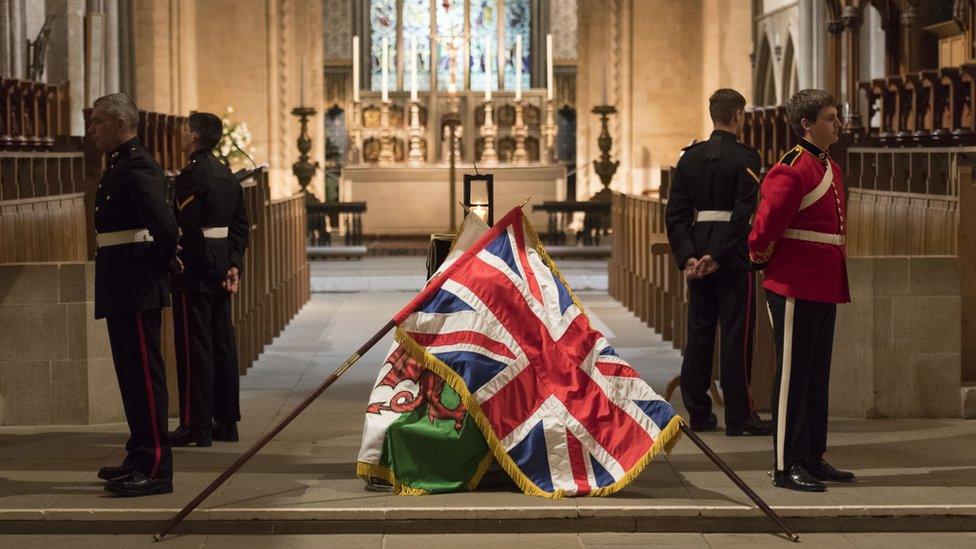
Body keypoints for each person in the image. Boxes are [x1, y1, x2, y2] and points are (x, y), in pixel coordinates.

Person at [749, 89, 855, 492]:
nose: (838, 124)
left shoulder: (831, 166)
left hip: (825, 281)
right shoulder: (791, 168)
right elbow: (764, 228)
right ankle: (784, 464)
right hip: (794, 282)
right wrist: (761, 261)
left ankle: (811, 456)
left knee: (816, 374)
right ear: (806, 124)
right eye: (830, 118)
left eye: (837, 117)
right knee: (793, 375)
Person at [665, 89, 771, 437]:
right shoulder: (746, 158)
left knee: (699, 332)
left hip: (698, 247)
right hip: (731, 255)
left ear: (712, 114)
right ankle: (739, 416)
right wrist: (718, 256)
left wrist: (689, 256)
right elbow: (744, 214)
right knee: (736, 335)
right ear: (739, 115)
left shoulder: (689, 158)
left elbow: (676, 214)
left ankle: (698, 412)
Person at [88, 93, 179, 497]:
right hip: (122, 282)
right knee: (130, 377)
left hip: (136, 283)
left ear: (121, 124)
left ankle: (156, 465)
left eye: (98, 123)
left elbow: (165, 228)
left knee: (144, 377)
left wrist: (154, 270)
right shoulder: (120, 165)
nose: (92, 131)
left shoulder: (138, 165)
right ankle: (139, 453)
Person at [168, 112, 250, 447]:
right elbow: (240, 226)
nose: (181, 135)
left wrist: (207, 268)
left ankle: (195, 425)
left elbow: (188, 228)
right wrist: (232, 265)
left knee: (194, 347)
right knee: (222, 345)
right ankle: (226, 421)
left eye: (185, 131)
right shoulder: (226, 174)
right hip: (221, 265)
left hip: (196, 268)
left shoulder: (191, 175)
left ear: (195, 136)